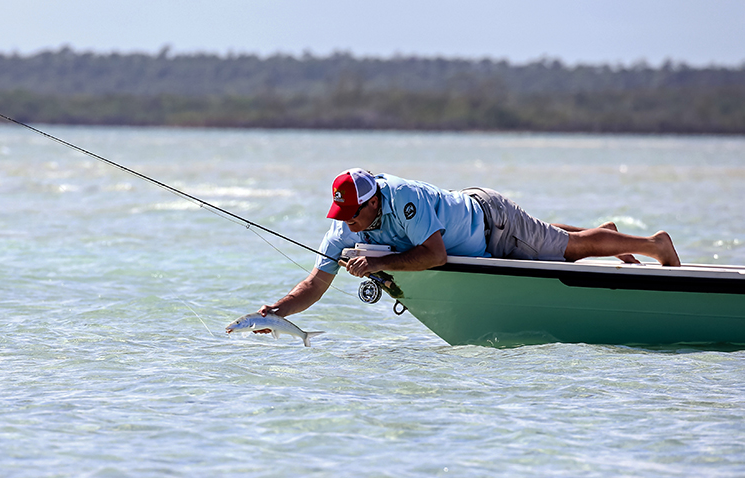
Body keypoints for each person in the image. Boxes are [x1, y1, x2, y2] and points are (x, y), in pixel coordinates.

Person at [258, 169, 680, 320]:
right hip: (477, 224)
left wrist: (373, 269)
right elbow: (315, 282)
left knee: (565, 250)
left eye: (354, 213)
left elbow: (435, 256)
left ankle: (653, 244)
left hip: (491, 224)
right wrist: (277, 309)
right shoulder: (345, 228)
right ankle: (601, 235)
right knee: (553, 238)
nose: (348, 223)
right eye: (342, 216)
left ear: (373, 200)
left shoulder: (405, 199)